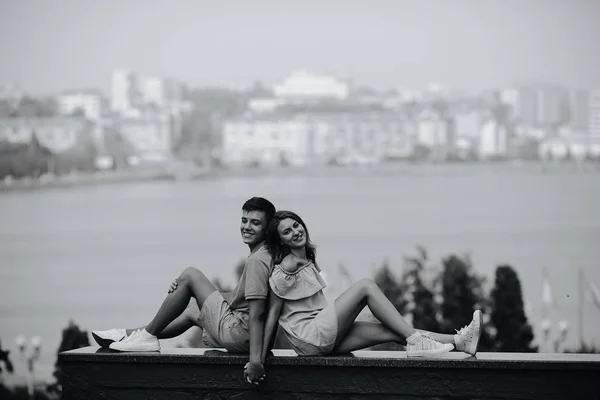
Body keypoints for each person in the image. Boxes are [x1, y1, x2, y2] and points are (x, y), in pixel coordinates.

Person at [92, 197, 276, 384]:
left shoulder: (257, 261)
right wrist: (190, 291)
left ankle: (145, 337)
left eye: (255, 223)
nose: (246, 227)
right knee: (192, 310)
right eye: (244, 220)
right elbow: (243, 299)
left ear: (267, 228)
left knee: (190, 274)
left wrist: (255, 361)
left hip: (241, 336)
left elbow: (258, 314)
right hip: (246, 336)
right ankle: (128, 334)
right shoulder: (266, 254)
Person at [260, 210, 483, 361]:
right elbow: (271, 314)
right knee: (365, 286)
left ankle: (460, 342)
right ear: (281, 241)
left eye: (296, 225)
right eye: (287, 232)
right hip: (311, 335)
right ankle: (416, 341)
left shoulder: (305, 258)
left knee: (392, 329)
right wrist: (259, 358)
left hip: (315, 340)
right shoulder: (287, 265)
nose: (295, 232)